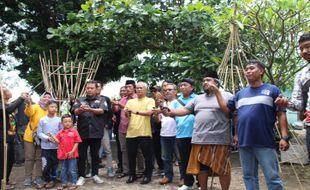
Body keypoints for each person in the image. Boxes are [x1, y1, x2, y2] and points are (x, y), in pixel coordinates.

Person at [211, 60, 290, 190]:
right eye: (246, 69)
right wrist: (217, 92)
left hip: (265, 141)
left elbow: (281, 113)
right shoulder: (240, 93)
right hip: (244, 141)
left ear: (261, 71)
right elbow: (227, 110)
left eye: (252, 68)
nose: (248, 71)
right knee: (248, 176)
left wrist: (284, 137)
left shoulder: (272, 90)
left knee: (272, 177)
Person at [163, 71, 233, 190]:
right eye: (204, 80)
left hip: (220, 139)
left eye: (208, 80)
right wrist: (171, 112)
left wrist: (216, 92)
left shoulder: (227, 95)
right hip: (199, 138)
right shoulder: (198, 98)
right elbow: (185, 110)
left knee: (222, 168)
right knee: (201, 168)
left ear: (216, 82)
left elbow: (229, 112)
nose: (205, 82)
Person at [73, 80, 108, 186]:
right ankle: (81, 176)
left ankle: (95, 175)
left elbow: (102, 110)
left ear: (96, 89)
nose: (89, 90)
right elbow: (74, 111)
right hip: (82, 132)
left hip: (96, 132)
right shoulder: (79, 99)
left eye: (91, 88)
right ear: (85, 89)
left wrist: (90, 109)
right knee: (82, 156)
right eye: (88, 88)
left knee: (95, 155)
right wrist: (81, 109)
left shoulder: (101, 99)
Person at [124, 82, 155, 184]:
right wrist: (127, 112)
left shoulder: (150, 100)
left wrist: (135, 111)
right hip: (131, 132)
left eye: (141, 88)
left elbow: (150, 112)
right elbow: (127, 115)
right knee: (131, 155)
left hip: (144, 132)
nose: (139, 90)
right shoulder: (130, 101)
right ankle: (132, 175)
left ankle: (147, 175)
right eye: (137, 88)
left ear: (146, 90)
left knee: (147, 155)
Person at [286, 32, 310, 160]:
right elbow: (298, 104)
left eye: (307, 46)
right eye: (301, 49)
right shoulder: (302, 75)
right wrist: (285, 102)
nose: (304, 51)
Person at [170, 78, 197, 190]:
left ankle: (201, 183)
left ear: (192, 87)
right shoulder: (176, 101)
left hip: (196, 134)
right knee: (184, 160)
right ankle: (188, 183)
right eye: (181, 85)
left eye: (185, 85)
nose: (182, 87)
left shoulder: (198, 98)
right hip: (181, 134)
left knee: (198, 160)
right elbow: (171, 114)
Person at [0, 87, 28, 190]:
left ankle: (5, 179)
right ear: (2, 94)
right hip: (2, 139)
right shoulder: (2, 105)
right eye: (7, 91)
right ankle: (2, 182)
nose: (10, 91)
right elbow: (8, 109)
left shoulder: (7, 104)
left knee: (10, 159)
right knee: (4, 161)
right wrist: (20, 98)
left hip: (10, 138)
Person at [23, 91, 53, 188]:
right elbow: (28, 112)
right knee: (29, 157)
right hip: (30, 136)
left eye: (49, 97)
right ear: (41, 98)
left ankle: (38, 177)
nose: (47, 98)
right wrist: (28, 103)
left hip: (43, 137)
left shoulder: (50, 110)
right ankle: (28, 177)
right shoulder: (36, 106)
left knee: (40, 158)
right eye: (45, 96)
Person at [112, 80, 137, 178]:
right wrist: (114, 105)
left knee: (136, 150)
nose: (127, 89)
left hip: (133, 128)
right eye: (126, 87)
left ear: (134, 88)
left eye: (130, 87)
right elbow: (117, 110)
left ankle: (139, 170)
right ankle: (126, 170)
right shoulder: (123, 99)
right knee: (124, 150)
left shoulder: (136, 98)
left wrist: (118, 104)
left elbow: (129, 109)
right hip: (122, 127)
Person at [51, 114, 82, 190]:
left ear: (72, 122)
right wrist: (52, 136)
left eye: (69, 121)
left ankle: (73, 183)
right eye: (65, 122)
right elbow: (57, 141)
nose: (67, 123)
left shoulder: (74, 131)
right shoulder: (60, 132)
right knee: (63, 169)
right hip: (62, 155)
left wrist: (72, 151)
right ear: (62, 123)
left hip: (72, 154)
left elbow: (77, 142)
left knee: (72, 169)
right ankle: (64, 183)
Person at [156, 83, 178, 185]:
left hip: (177, 134)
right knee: (166, 157)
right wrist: (156, 113)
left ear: (175, 91)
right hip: (164, 134)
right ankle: (168, 176)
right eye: (165, 90)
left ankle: (184, 177)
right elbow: (158, 120)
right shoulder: (163, 104)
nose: (167, 91)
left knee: (180, 158)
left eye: (170, 89)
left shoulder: (179, 103)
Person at [37, 100, 62, 189]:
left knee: (55, 164)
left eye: (55, 107)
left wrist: (55, 139)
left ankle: (53, 180)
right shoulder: (42, 120)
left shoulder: (59, 120)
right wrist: (47, 138)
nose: (54, 109)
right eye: (52, 107)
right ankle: (47, 179)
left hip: (56, 147)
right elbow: (39, 133)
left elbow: (61, 132)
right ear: (47, 107)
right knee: (46, 165)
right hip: (45, 147)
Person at [96, 81, 115, 177]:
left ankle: (110, 169)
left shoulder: (105, 99)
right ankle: (92, 170)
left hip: (103, 128)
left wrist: (108, 124)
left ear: (101, 88)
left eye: (98, 87)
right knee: (91, 150)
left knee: (107, 149)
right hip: (92, 128)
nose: (96, 88)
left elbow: (110, 113)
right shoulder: (88, 99)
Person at [112, 86, 126, 174]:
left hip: (128, 127)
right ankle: (120, 166)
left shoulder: (130, 101)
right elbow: (114, 112)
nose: (123, 92)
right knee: (120, 148)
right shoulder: (117, 102)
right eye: (121, 90)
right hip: (118, 127)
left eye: (124, 90)